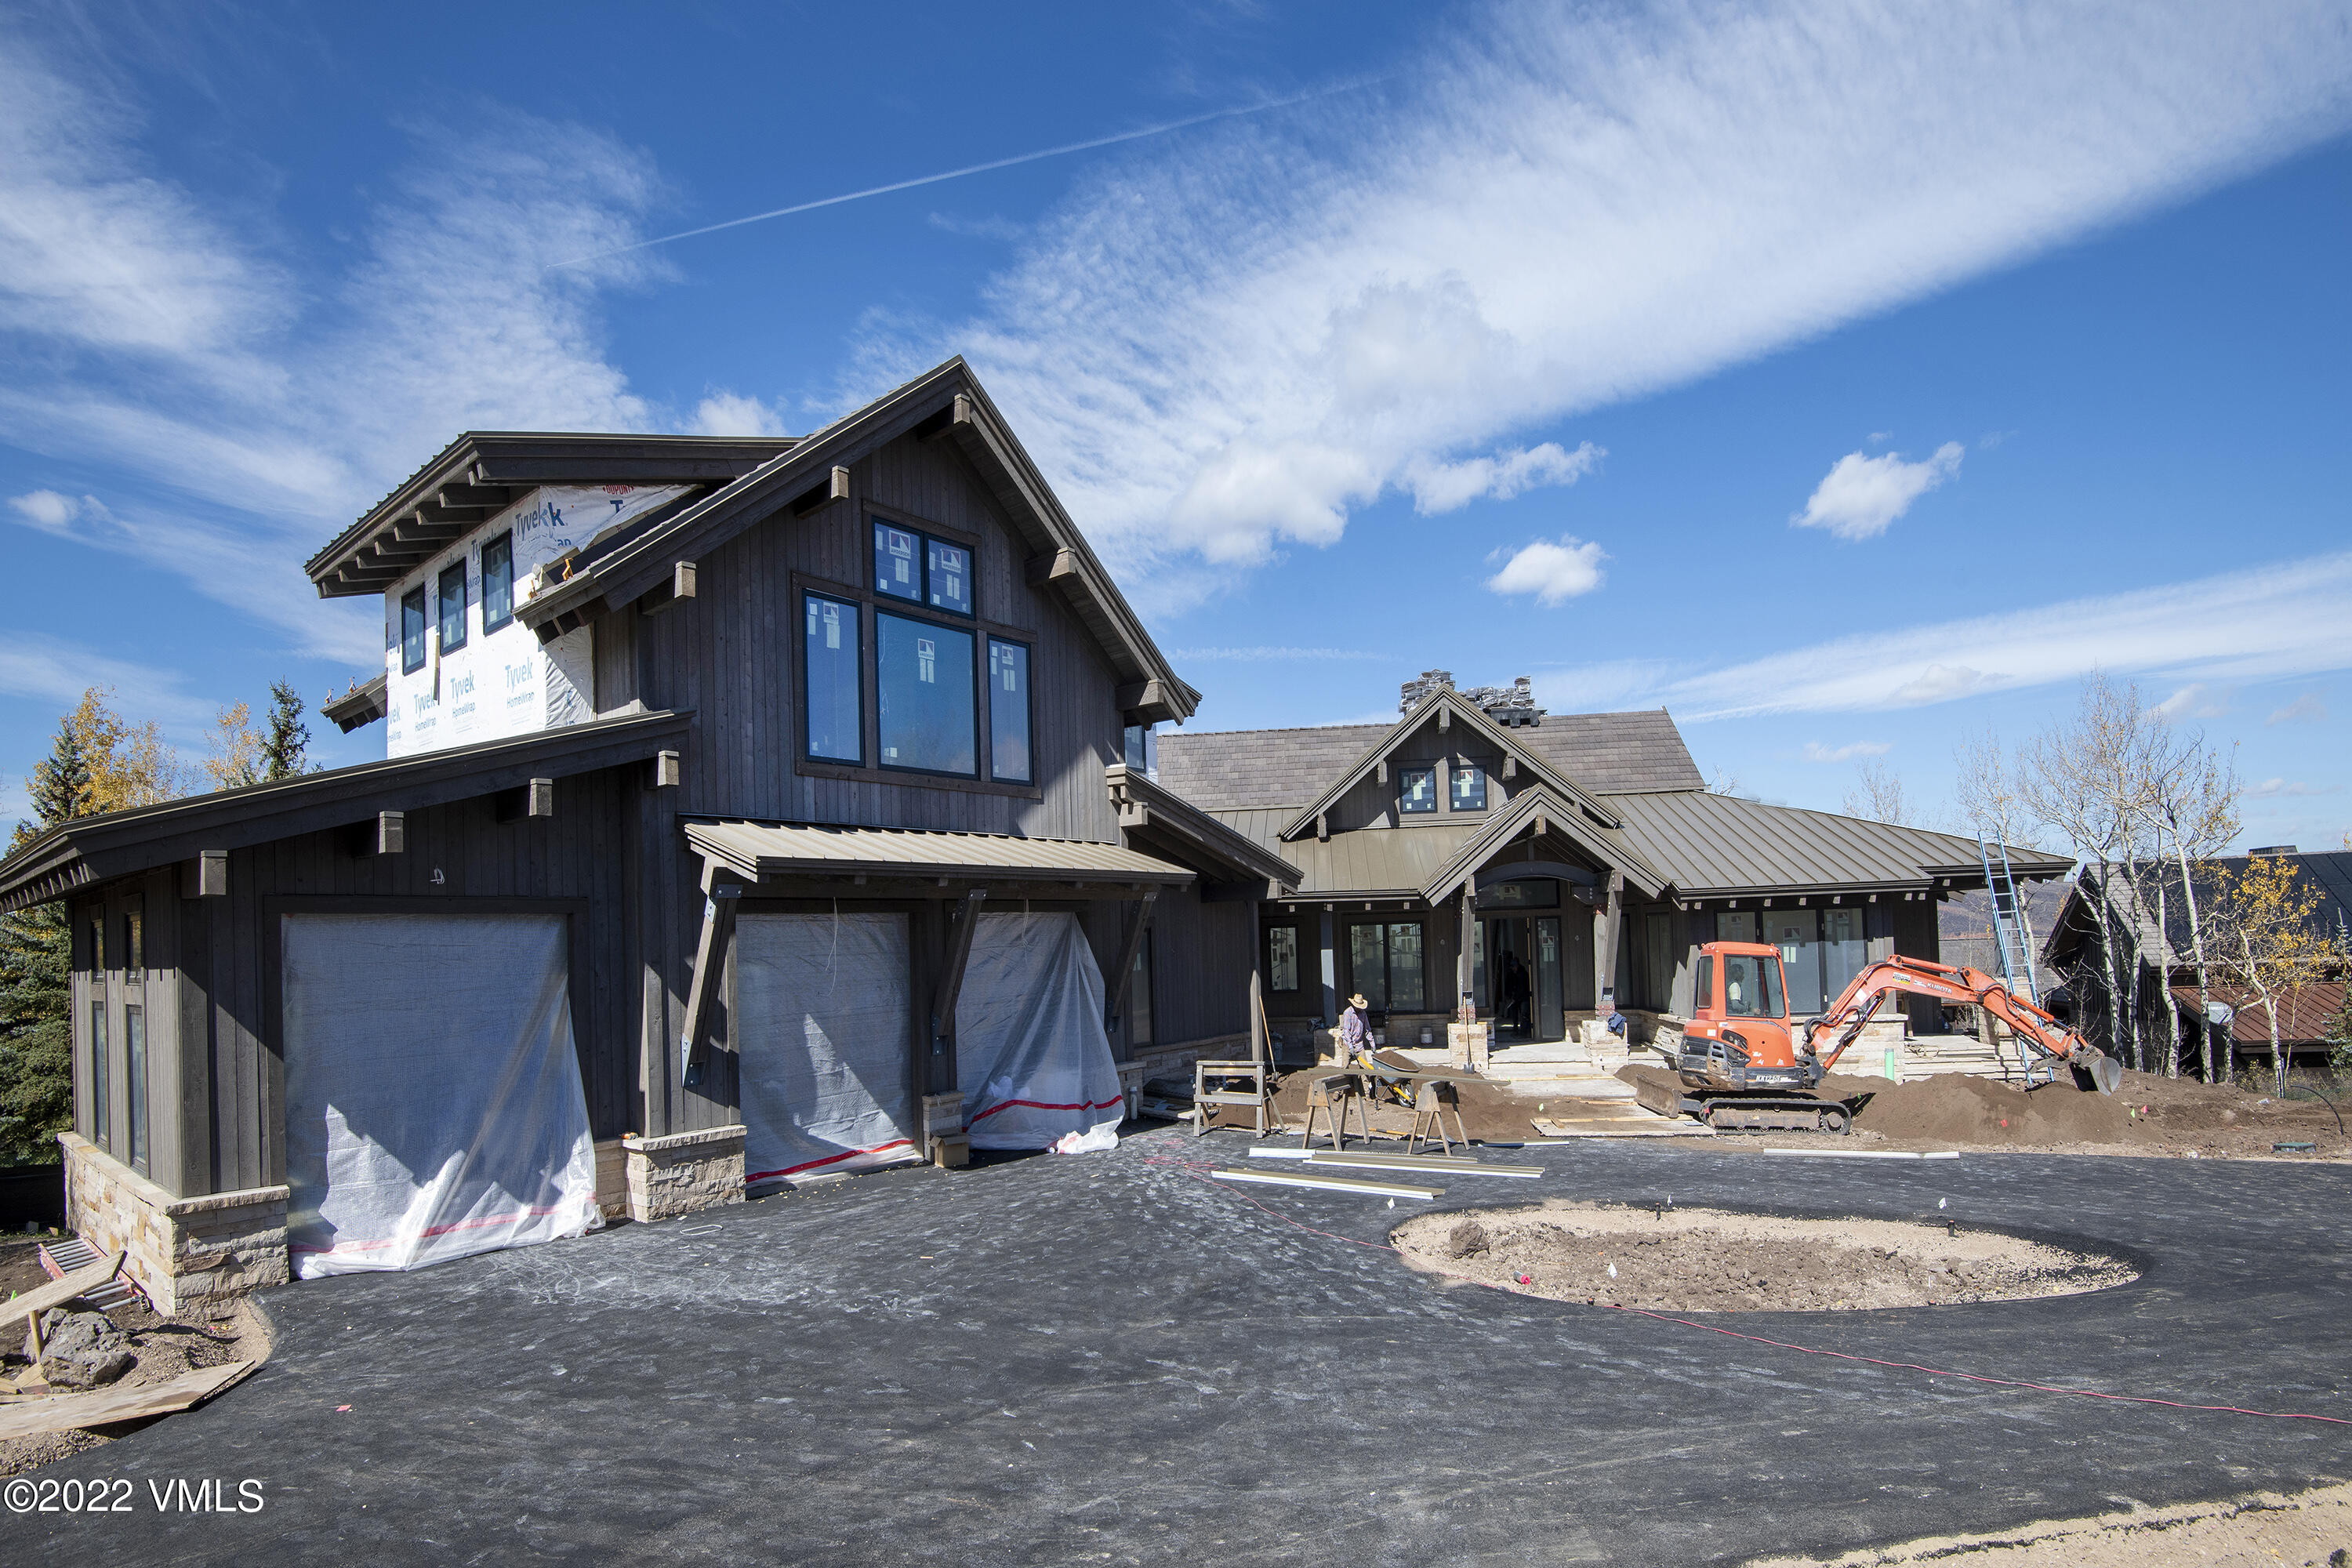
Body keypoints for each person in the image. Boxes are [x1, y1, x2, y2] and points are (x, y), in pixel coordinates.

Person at [1338, 992, 1374, 1068]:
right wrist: (1351, 1047)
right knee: (1345, 1065)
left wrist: (1372, 1043)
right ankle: (1345, 1079)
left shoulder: (1363, 1014)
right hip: (1347, 1044)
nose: (1359, 1008)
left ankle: (1365, 1080)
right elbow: (1346, 1030)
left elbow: (1368, 1029)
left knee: (1365, 1066)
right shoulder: (1348, 1013)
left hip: (1359, 1045)